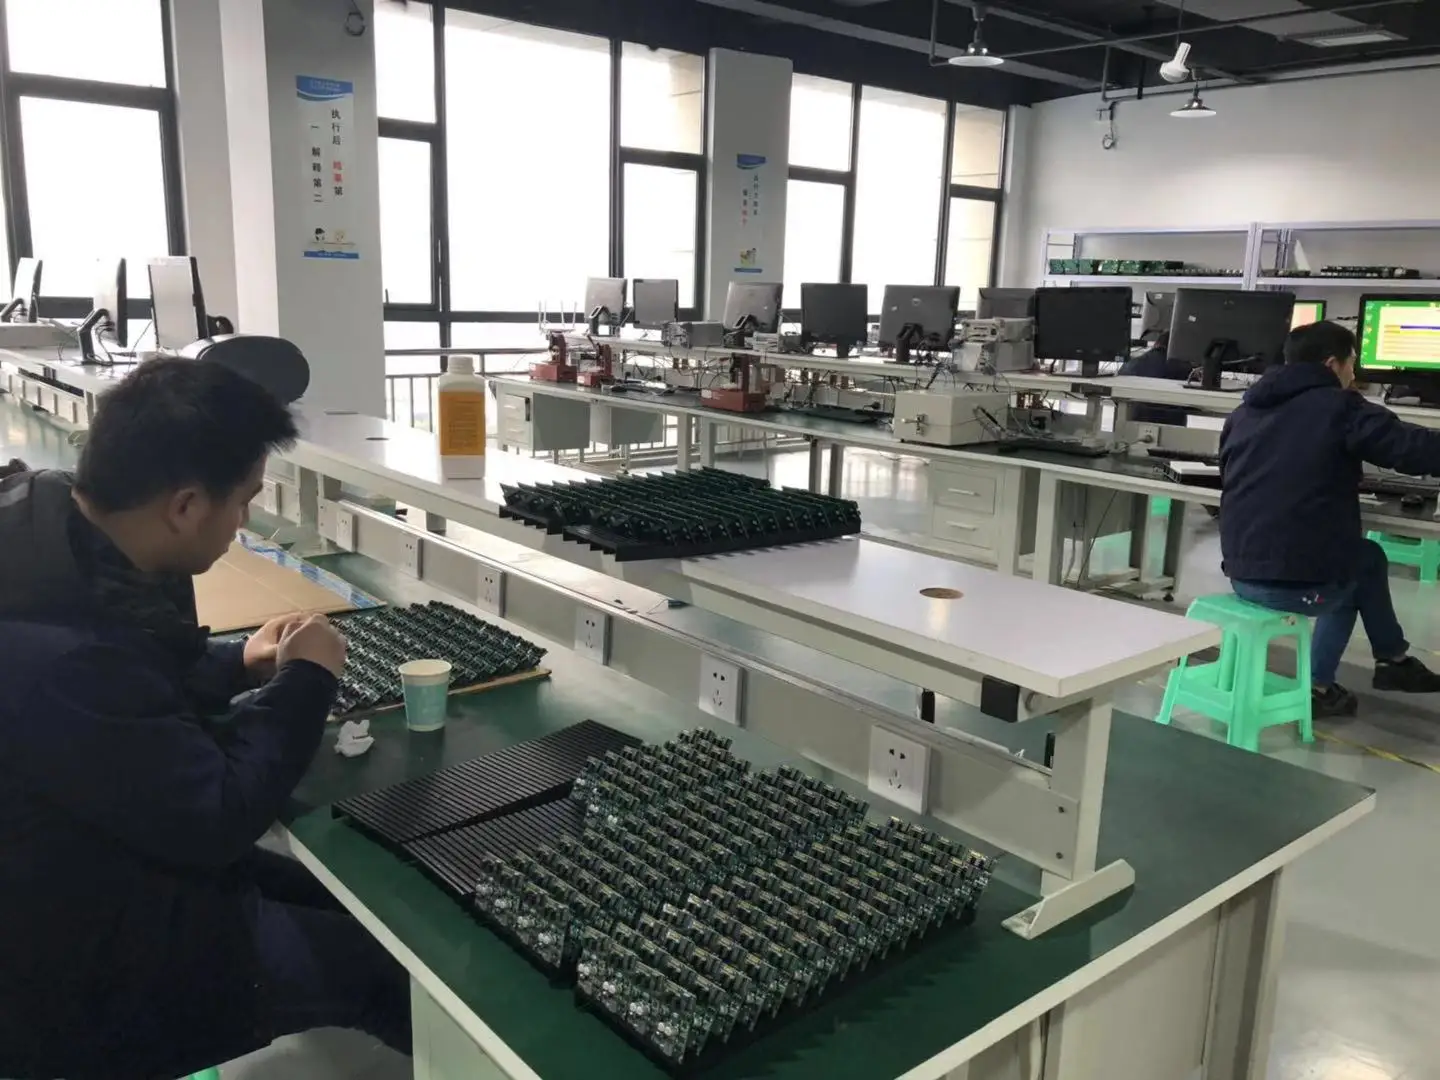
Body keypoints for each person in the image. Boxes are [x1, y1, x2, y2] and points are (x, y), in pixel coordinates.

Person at [0, 359, 411, 1080]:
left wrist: (236, 663)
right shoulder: (62, 657)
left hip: (83, 856)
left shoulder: (52, 532)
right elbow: (219, 814)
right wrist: (309, 678)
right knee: (380, 969)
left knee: (360, 907)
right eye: (244, 502)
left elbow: (130, 678)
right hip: (74, 962)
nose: (244, 523)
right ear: (187, 506)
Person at [1219, 320, 1440, 718]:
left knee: (1362, 558)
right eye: (1351, 363)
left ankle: (1391, 660)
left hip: (1240, 570)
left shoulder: (1244, 411)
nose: (1353, 374)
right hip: (1292, 583)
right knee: (1351, 573)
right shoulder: (1341, 407)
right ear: (1332, 364)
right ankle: (1329, 682)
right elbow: (1412, 449)